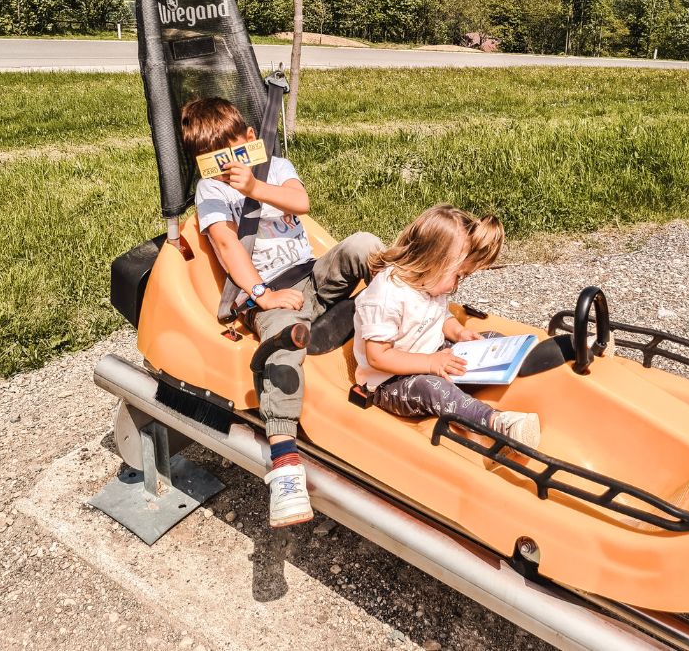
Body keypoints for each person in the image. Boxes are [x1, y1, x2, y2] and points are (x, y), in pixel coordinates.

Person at [181, 97, 383, 528]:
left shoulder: (276, 168)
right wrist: (261, 295)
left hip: (313, 275)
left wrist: (253, 186)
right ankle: (285, 466)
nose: (224, 169)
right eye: (212, 163)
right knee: (282, 345)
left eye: (231, 157)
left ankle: (405, 312)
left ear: (251, 142)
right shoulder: (211, 191)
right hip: (271, 294)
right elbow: (225, 243)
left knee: (364, 244)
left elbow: (300, 202)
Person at [353, 205, 541, 446]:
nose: (456, 286)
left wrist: (459, 332)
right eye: (458, 276)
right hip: (389, 382)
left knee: (491, 340)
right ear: (431, 261)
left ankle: (533, 377)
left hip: (430, 354)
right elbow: (378, 357)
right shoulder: (387, 296)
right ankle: (494, 422)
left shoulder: (428, 282)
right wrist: (431, 363)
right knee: (433, 388)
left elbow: (440, 316)